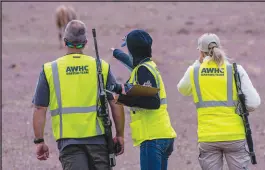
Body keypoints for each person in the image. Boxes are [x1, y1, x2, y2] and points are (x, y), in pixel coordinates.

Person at [32, 20, 125, 170]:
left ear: (65, 41)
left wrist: (39, 141)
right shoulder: (101, 67)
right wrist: (120, 135)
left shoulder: (50, 69)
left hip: (69, 143)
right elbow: (115, 102)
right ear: (86, 42)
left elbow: (39, 108)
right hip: (99, 141)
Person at [177, 33, 261, 170]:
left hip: (208, 137)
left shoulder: (194, 71)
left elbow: (182, 89)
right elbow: (254, 103)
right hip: (234, 135)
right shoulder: (235, 70)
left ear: (201, 52)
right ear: (220, 48)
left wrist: (198, 63)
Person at [110, 29, 177, 170]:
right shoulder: (148, 66)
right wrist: (116, 53)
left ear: (133, 51)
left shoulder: (143, 70)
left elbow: (153, 102)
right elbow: (131, 63)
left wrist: (124, 98)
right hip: (163, 135)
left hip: (152, 138)